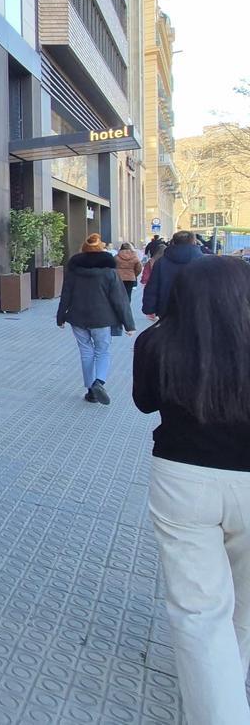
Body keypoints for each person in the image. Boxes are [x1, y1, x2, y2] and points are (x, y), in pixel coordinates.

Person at [133, 257, 250, 723]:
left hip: (183, 478)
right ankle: (230, 687)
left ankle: (218, 708)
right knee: (245, 601)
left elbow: (144, 403)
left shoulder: (156, 342)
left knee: (198, 613)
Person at [56, 233, 135, 405]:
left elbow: (66, 295)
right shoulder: (109, 273)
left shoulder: (74, 271)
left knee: (86, 352)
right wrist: (129, 324)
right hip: (102, 319)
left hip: (77, 318)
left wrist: (60, 317)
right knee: (102, 351)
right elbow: (120, 300)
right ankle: (99, 382)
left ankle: (91, 390)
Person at [143, 230, 204, 321]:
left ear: (174, 242)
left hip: (167, 308)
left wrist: (149, 308)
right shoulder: (204, 261)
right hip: (198, 308)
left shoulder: (161, 262)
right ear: (194, 242)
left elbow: (153, 286)